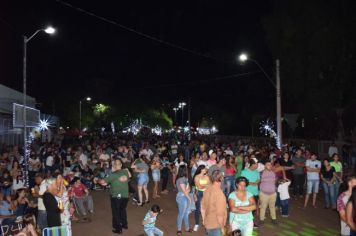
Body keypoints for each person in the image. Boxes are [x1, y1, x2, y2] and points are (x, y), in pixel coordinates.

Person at [97, 158, 130, 234]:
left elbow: (103, 182)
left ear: (114, 165)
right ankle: (125, 225)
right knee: (122, 210)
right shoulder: (125, 172)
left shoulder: (113, 175)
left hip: (116, 196)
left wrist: (97, 180)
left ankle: (118, 229)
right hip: (125, 196)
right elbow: (127, 177)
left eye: (115, 164)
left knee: (116, 212)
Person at [201, 170, 227, 236]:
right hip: (216, 225)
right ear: (221, 179)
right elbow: (220, 215)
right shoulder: (220, 194)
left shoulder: (207, 189)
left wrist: (204, 220)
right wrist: (222, 228)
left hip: (208, 223)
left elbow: (202, 207)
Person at [241, 158, 260, 227]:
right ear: (253, 164)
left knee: (253, 209)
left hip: (255, 193)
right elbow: (242, 181)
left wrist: (257, 182)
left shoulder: (256, 171)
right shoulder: (244, 172)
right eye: (256, 164)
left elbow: (258, 179)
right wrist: (251, 183)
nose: (257, 165)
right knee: (247, 208)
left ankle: (250, 222)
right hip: (247, 193)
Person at [259, 160, 278, 225]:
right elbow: (258, 181)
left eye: (270, 164)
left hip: (273, 193)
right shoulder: (261, 173)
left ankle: (274, 219)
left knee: (272, 207)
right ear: (265, 166)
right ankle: (261, 220)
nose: (269, 166)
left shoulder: (273, 173)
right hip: (264, 193)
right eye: (268, 164)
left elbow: (275, 181)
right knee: (263, 207)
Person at [192, 165, 210, 232]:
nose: (206, 170)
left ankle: (205, 223)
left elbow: (209, 185)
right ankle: (196, 224)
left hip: (206, 194)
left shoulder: (207, 176)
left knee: (206, 209)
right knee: (198, 209)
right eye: (205, 169)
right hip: (199, 193)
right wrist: (206, 185)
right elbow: (199, 187)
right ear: (201, 170)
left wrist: (205, 186)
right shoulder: (196, 177)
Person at [175, 166, 191, 236]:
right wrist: (189, 198)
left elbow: (189, 189)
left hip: (184, 196)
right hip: (182, 198)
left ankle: (187, 228)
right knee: (181, 214)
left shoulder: (185, 178)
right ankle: (179, 229)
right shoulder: (181, 179)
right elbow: (185, 191)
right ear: (184, 170)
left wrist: (187, 192)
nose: (187, 170)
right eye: (186, 169)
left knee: (186, 213)